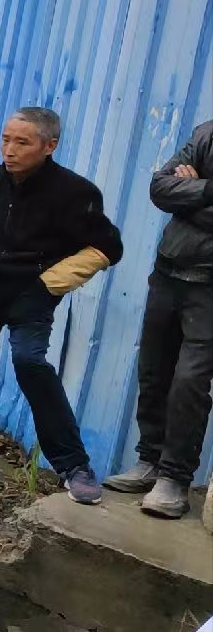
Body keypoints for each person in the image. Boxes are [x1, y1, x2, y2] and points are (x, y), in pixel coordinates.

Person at [0, 108, 124, 505]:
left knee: (30, 363)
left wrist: (47, 285)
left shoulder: (75, 193)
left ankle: (74, 466)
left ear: (50, 146)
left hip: (28, 297)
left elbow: (107, 247)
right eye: (5, 139)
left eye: (22, 142)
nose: (9, 150)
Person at [103, 120, 213, 519]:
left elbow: (176, 196)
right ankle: (149, 460)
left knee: (190, 382)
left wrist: (191, 196)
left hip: (209, 289)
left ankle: (175, 479)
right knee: (153, 370)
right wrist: (207, 190)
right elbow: (159, 187)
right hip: (168, 275)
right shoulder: (207, 133)